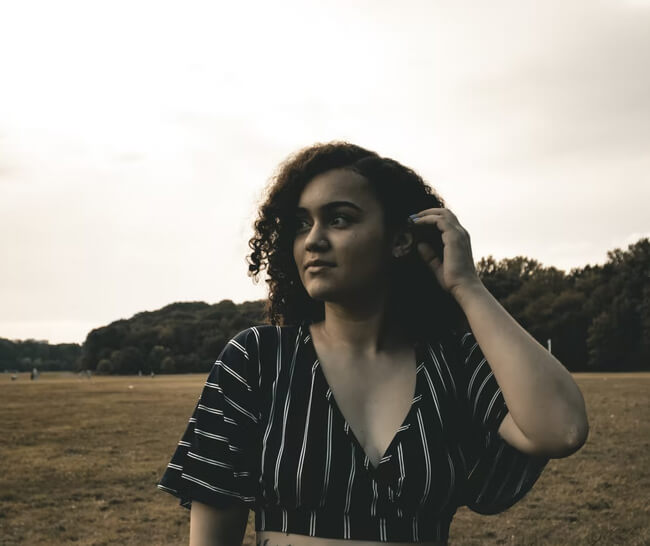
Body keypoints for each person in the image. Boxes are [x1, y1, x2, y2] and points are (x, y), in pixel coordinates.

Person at [157, 141, 589, 546]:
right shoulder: (257, 360)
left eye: (339, 218)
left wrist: (467, 286)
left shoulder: (452, 361)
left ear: (400, 239)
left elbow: (562, 429)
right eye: (301, 224)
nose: (313, 239)